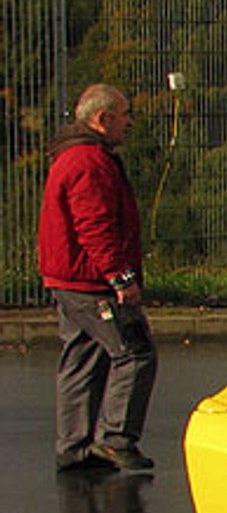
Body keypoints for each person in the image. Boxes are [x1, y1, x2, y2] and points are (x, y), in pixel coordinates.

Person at [39, 83, 158, 473]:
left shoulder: (72, 156)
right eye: (124, 115)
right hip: (91, 283)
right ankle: (117, 440)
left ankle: (73, 448)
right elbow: (95, 227)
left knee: (82, 359)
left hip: (68, 279)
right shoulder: (90, 162)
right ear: (102, 119)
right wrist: (121, 278)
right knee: (135, 352)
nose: (129, 122)